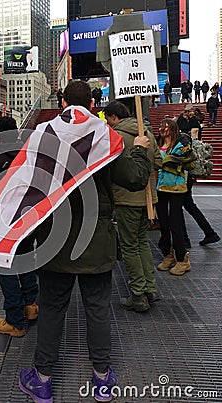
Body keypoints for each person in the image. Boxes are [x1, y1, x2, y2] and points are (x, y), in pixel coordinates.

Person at [19, 81, 151, 403]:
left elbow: (25, 181)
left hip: (55, 239)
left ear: (62, 101)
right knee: (98, 309)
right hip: (96, 238)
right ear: (94, 103)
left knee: (51, 309)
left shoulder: (44, 134)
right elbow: (134, 178)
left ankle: (43, 379)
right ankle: (102, 379)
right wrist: (141, 151)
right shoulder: (106, 135)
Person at [0, 117, 39, 337]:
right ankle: (31, 305)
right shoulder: (27, 154)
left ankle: (15, 321)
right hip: (28, 219)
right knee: (26, 260)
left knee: (6, 268)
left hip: (2, 222)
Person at [103, 101, 161, 312]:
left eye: (108, 119)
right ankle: (150, 288)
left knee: (129, 246)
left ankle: (138, 294)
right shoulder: (146, 133)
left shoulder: (116, 137)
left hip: (126, 199)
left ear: (114, 117)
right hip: (147, 199)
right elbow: (157, 162)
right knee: (142, 242)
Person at [156, 118, 196, 276]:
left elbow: (189, 162)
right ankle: (168, 254)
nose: (163, 130)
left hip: (176, 189)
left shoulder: (180, 146)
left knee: (175, 224)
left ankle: (182, 259)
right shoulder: (159, 145)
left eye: (166, 127)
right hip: (161, 188)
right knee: (163, 224)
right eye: (161, 127)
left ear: (173, 129)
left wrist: (168, 163)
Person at [182, 175, 220, 248]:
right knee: (190, 206)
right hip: (186, 178)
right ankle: (209, 233)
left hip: (180, 179)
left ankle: (184, 239)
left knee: (178, 209)